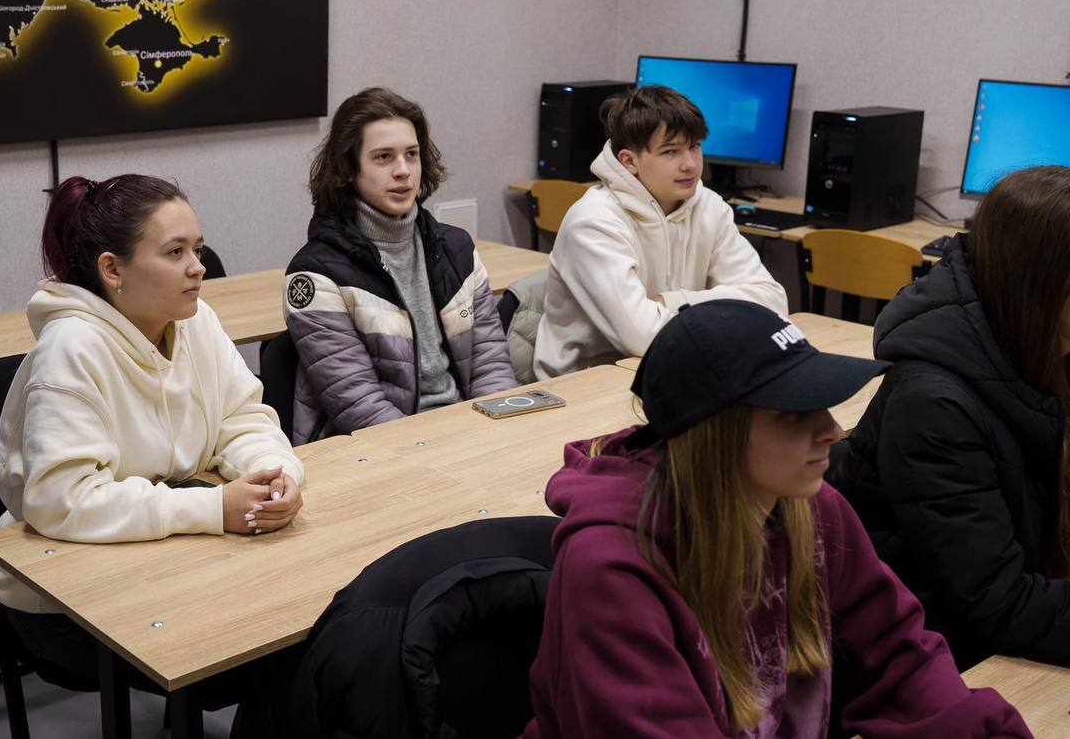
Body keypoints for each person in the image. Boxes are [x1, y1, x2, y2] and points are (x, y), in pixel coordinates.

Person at [525, 299, 1031, 738]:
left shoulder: (808, 505)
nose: (832, 430)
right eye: (793, 415)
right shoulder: (610, 570)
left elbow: (902, 658)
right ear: (715, 438)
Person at [0, 174, 304, 688]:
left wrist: (274, 474)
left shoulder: (196, 320)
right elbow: (63, 501)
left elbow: (243, 418)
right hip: (66, 594)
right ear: (112, 269)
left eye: (197, 248)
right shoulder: (71, 349)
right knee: (266, 661)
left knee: (300, 628)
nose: (198, 266)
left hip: (171, 553)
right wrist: (212, 508)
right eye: (175, 252)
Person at [832, 165, 1070, 669]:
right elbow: (998, 605)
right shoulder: (933, 406)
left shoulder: (1042, 340)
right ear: (1042, 285)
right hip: (930, 644)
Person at [282, 87, 516, 444]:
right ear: (348, 169)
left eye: (412, 154)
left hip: (465, 433)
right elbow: (360, 407)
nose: (403, 171)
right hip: (378, 450)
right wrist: (437, 450)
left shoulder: (457, 249)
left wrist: (496, 435)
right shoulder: (316, 275)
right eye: (383, 157)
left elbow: (490, 365)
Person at [533, 86, 788, 379]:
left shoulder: (709, 207)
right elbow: (642, 336)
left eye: (694, 146)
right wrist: (730, 311)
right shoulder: (594, 222)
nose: (690, 164)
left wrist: (671, 302)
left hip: (679, 368)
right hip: (586, 383)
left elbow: (773, 303)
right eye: (671, 152)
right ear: (629, 161)